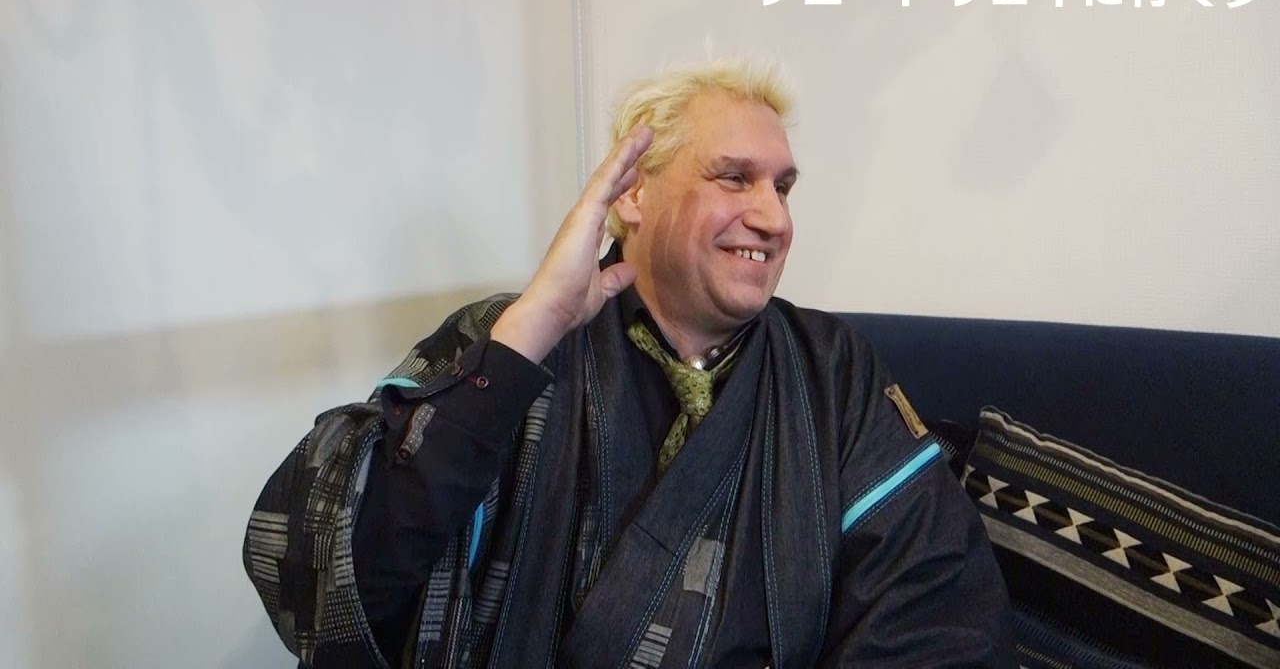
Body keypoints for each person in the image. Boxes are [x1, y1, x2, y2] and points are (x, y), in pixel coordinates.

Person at [243, 61, 1016, 668]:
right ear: (635, 194)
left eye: (783, 187)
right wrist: (525, 338)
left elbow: (935, 603)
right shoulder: (510, 340)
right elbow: (340, 576)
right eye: (735, 177)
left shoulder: (830, 371)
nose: (775, 218)